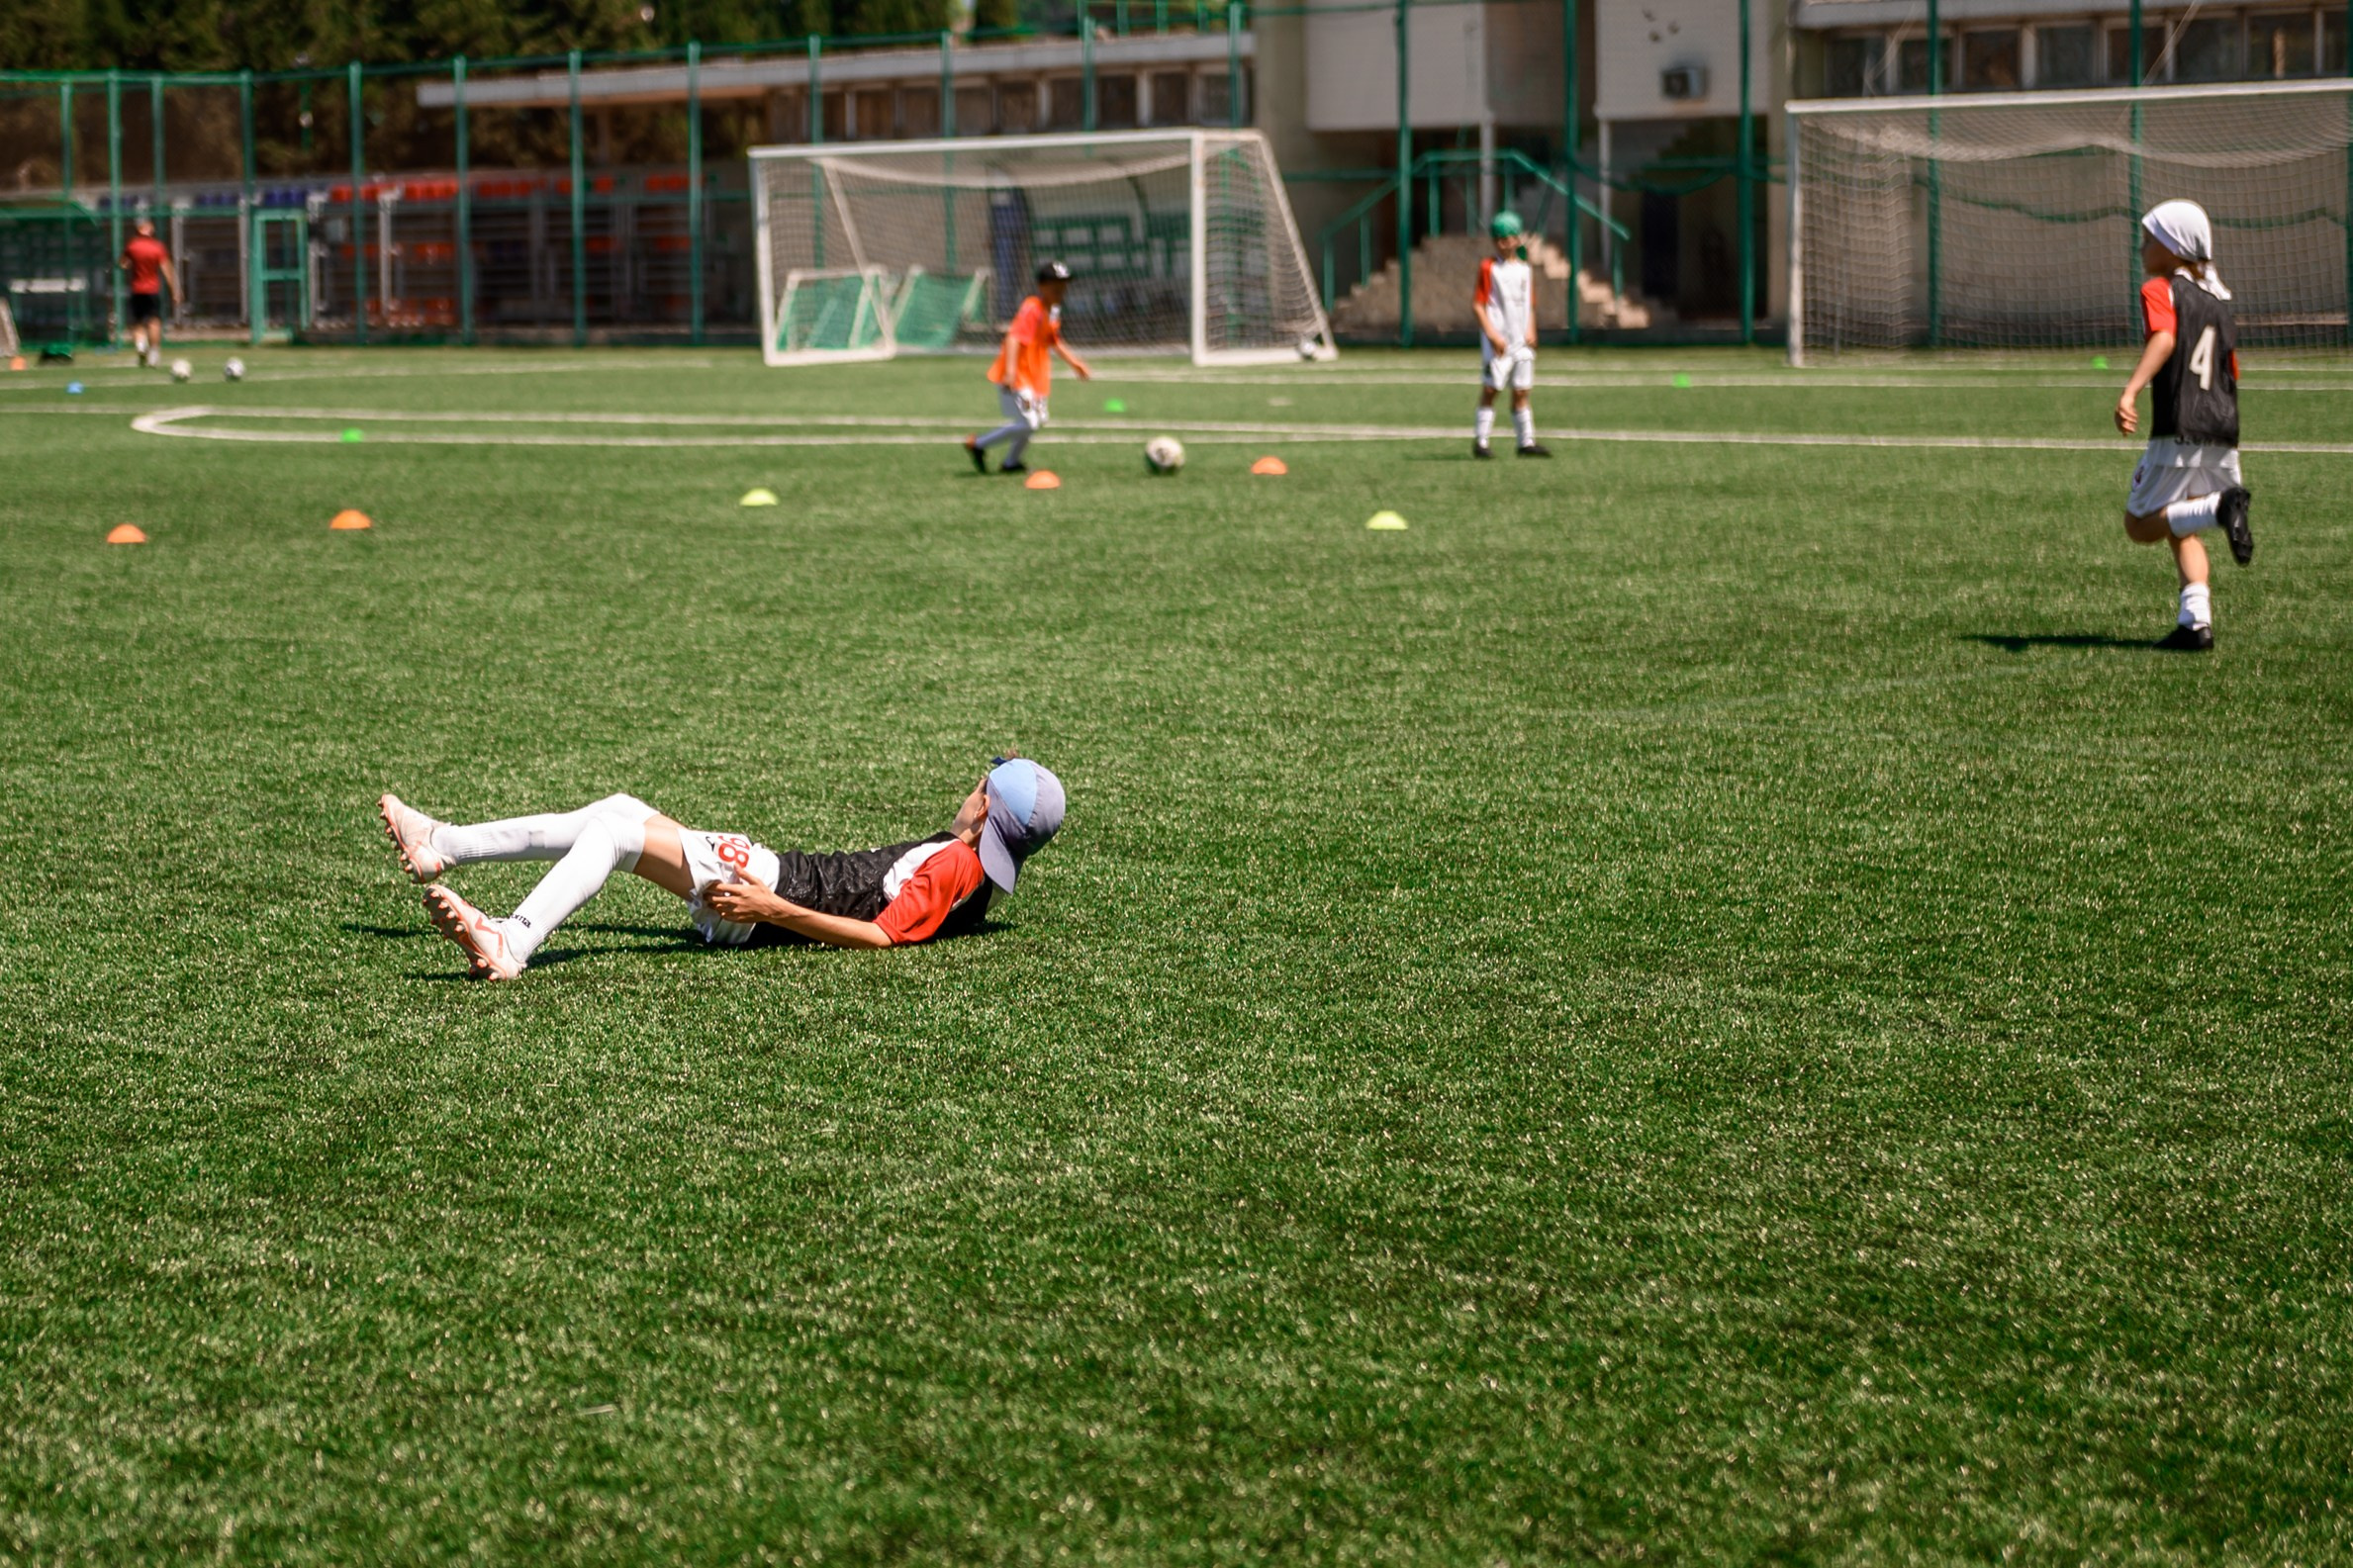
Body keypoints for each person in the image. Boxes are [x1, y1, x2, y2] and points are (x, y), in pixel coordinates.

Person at [377, 757, 1066, 981]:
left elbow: (883, 935)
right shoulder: (974, 870)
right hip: (778, 878)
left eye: (981, 783)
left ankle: (510, 940)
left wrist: (769, 908)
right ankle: (445, 844)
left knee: (615, 833)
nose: (972, 787)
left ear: (984, 810)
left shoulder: (956, 866)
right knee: (619, 808)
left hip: (770, 889)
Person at [2115, 199, 2253, 652]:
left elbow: (2166, 338)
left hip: (2179, 428)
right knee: (2181, 526)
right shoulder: (2218, 300)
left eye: (2149, 238)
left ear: (2172, 247)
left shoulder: (2161, 289)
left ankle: (2218, 509)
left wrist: (2131, 390)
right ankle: (2195, 623)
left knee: (2139, 525)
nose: (2141, 247)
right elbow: (2231, 369)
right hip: (2221, 427)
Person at [967, 261, 1091, 476]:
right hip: (1019, 374)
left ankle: (1011, 463)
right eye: (1056, 284)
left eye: (1064, 284)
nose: (1062, 289)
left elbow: (1053, 340)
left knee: (1039, 420)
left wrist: (1074, 362)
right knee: (1029, 423)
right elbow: (1014, 338)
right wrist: (1010, 372)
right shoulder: (1032, 307)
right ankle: (978, 443)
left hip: (1035, 376)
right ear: (1042, 286)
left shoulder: (1052, 310)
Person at [1472, 212, 1549, 460]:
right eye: (1500, 239)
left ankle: (1526, 441)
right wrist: (1492, 335)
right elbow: (1478, 305)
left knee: (1522, 390)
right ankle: (1481, 441)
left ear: (1518, 239)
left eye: (1510, 238)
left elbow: (1530, 304)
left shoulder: (1525, 269)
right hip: (1500, 341)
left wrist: (1531, 329)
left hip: (1521, 340)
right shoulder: (1489, 268)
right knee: (1492, 388)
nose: (1505, 243)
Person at [117, 219, 178, 370]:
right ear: (150, 230)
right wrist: (175, 291)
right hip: (152, 290)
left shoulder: (132, 245)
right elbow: (166, 270)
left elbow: (122, 264)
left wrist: (128, 262)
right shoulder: (157, 247)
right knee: (154, 321)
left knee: (138, 323)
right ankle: (154, 352)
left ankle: (140, 345)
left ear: (139, 230)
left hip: (137, 289)